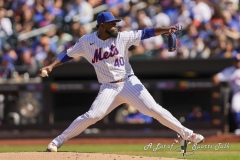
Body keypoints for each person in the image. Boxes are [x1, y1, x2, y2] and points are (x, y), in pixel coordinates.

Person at [39, 11, 204, 152]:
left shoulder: (122, 37)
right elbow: (68, 54)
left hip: (128, 82)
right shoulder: (86, 42)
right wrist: (51, 66)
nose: (115, 26)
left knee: (153, 109)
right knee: (93, 115)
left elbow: (146, 32)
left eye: (115, 23)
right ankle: (57, 141)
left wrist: (166, 30)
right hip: (108, 88)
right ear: (101, 26)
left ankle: (187, 134)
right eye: (111, 24)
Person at [213, 54, 240, 135]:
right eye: (237, 61)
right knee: (235, 108)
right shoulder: (229, 71)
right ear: (234, 62)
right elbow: (217, 77)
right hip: (237, 92)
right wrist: (215, 79)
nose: (238, 63)